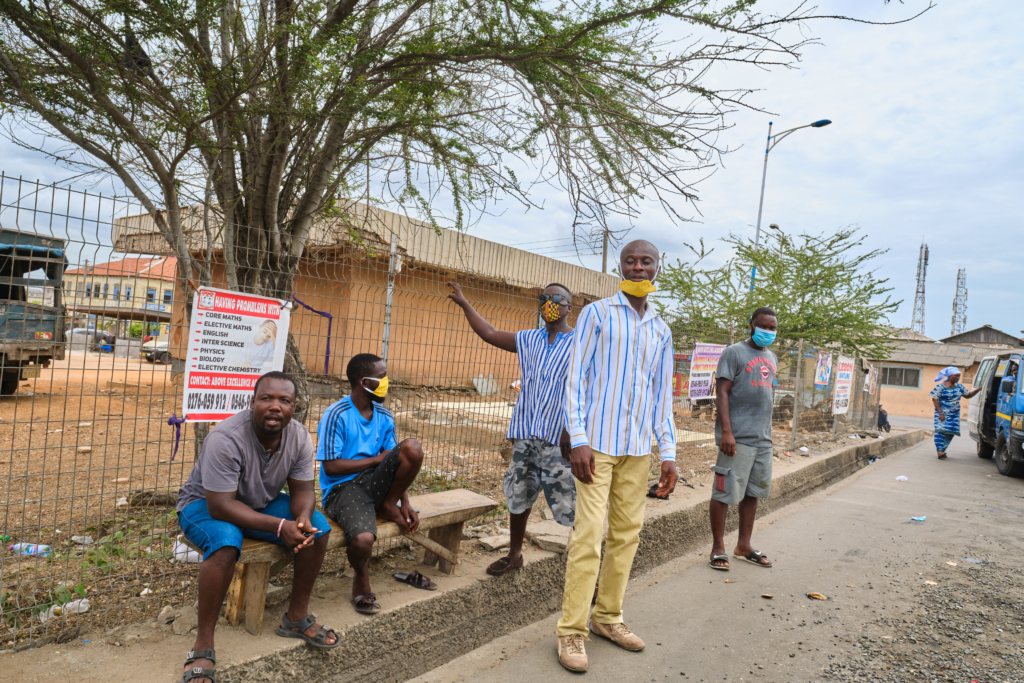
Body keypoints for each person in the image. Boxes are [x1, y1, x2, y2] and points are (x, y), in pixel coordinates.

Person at [556, 240, 677, 673]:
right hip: (598, 447)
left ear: (658, 269)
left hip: (637, 449)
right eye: (631, 261)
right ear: (620, 267)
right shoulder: (597, 314)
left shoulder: (661, 329)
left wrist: (669, 453)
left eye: (647, 261)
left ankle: (608, 617)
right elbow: (575, 381)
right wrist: (579, 437)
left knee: (627, 535)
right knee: (588, 535)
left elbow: (662, 397)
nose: (639, 267)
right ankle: (571, 631)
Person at [175, 372, 337, 683]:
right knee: (226, 541)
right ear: (252, 403)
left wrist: (301, 518)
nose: (275, 406)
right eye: (266, 398)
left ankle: (296, 617)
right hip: (204, 504)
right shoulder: (225, 437)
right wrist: (279, 526)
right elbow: (220, 506)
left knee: (317, 527)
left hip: (259, 501)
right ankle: (203, 645)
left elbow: (303, 490)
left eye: (284, 400)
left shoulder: (300, 437)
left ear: (294, 406)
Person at [447, 281, 576, 577]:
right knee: (519, 495)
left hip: (560, 439)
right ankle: (515, 554)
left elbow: (591, 390)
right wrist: (466, 304)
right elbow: (490, 333)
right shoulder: (529, 339)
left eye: (556, 298)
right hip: (526, 434)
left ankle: (583, 569)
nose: (548, 303)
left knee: (571, 504)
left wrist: (573, 429)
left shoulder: (582, 343)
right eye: (544, 298)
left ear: (570, 307)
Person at [317, 353, 425, 615]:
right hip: (343, 488)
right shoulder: (337, 414)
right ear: (363, 381)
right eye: (381, 377)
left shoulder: (385, 416)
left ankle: (388, 505)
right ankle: (360, 576)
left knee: (412, 448)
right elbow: (331, 466)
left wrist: (404, 502)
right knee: (364, 540)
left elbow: (396, 460)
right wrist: (376, 459)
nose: (386, 382)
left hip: (376, 485)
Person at [707, 308, 779, 572]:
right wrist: (727, 432)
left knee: (753, 493)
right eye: (763, 326)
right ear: (751, 324)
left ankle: (743, 546)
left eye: (772, 328)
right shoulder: (734, 353)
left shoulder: (771, 356)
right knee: (724, 493)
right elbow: (722, 393)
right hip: (736, 439)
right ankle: (718, 548)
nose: (768, 332)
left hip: (763, 440)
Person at [930, 366, 981, 459]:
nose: (958, 378)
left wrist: (978, 390)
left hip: (954, 414)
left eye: (959, 376)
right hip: (942, 414)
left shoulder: (959, 387)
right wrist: (940, 413)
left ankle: (942, 450)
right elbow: (935, 399)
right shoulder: (940, 387)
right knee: (940, 431)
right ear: (950, 376)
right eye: (956, 376)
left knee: (951, 432)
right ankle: (939, 451)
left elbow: (968, 395)